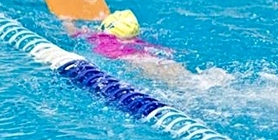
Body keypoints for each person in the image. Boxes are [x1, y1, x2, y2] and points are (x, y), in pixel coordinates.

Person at [65, 9, 231, 89]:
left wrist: (67, 20)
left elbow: (73, 34)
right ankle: (205, 81)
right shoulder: (140, 41)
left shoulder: (103, 38)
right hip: (158, 58)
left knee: (181, 87)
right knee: (187, 79)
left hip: (135, 60)